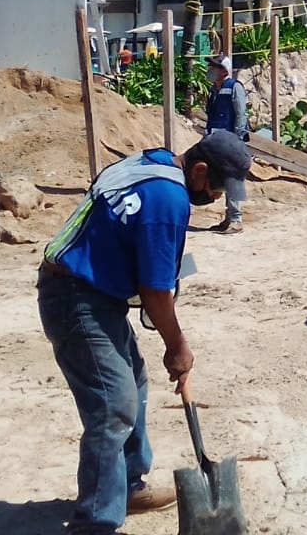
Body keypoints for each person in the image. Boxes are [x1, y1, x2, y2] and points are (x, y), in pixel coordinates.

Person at [37, 131, 251, 535]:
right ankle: (95, 523)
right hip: (74, 296)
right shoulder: (168, 201)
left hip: (95, 291)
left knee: (132, 381)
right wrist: (178, 347)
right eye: (219, 186)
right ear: (200, 169)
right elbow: (155, 292)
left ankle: (130, 485)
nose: (219, 196)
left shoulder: (152, 161)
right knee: (113, 403)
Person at [204, 55, 249, 234]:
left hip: (230, 141)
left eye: (214, 67)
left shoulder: (234, 87)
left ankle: (236, 220)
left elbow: (241, 114)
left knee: (233, 178)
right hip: (216, 141)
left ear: (224, 71)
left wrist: (238, 139)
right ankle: (229, 218)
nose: (210, 70)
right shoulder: (213, 90)